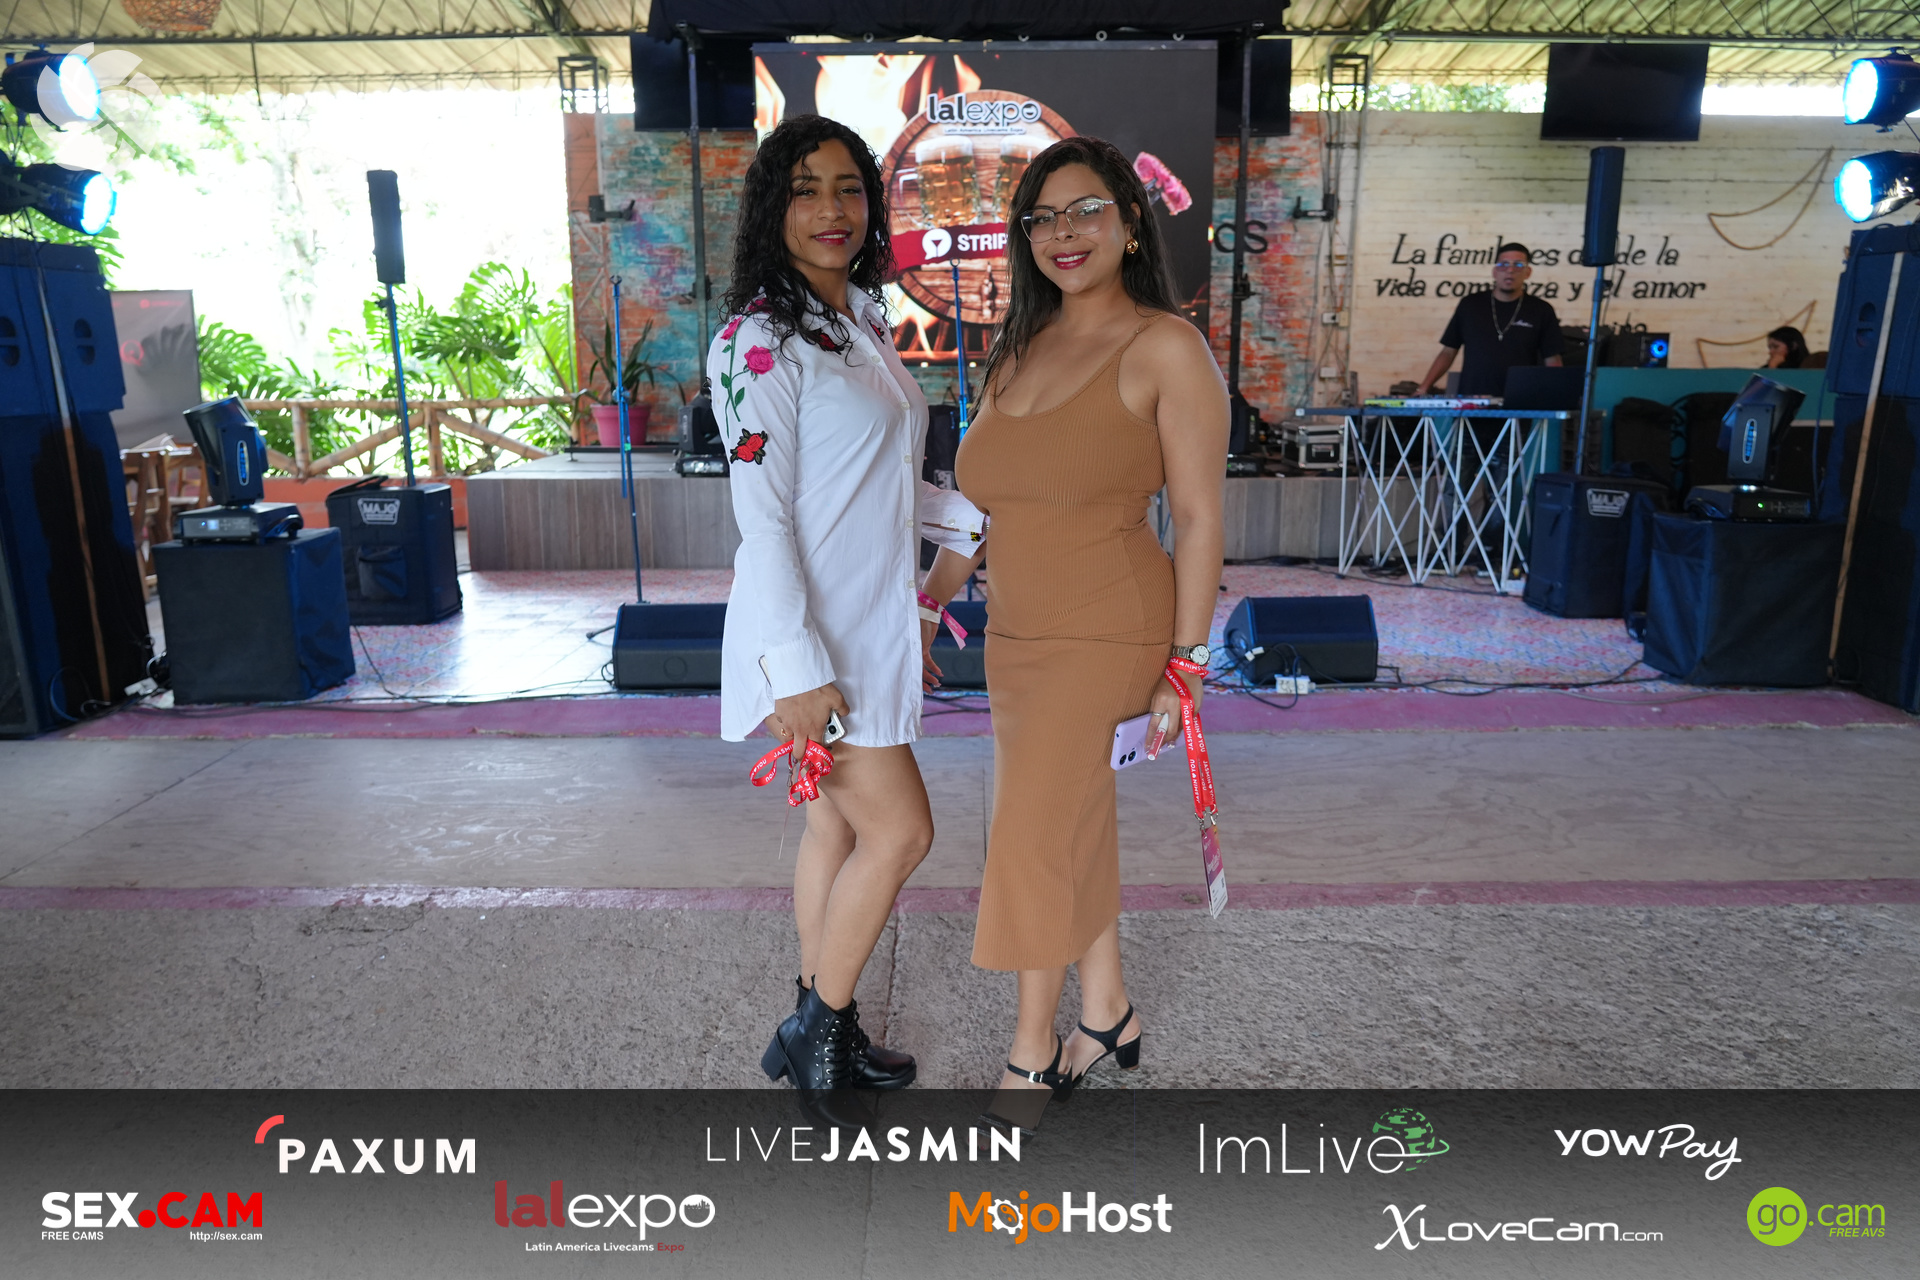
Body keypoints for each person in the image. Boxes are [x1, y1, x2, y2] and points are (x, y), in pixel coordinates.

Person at [919, 136, 1227, 1118]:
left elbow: (1200, 518)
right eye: (1043, 216)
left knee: (1034, 832)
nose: (1064, 231)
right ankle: (1108, 1012)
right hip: (1017, 638)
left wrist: (1188, 663)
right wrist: (930, 602)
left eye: (1087, 208)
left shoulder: (1165, 346)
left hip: (1111, 628)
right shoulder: (1018, 347)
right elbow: (982, 510)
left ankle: (1030, 1052)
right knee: (1067, 815)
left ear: (1130, 220)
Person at [714, 115, 985, 1096]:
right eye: (805, 189)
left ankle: (821, 1010)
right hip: (810, 641)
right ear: (771, 210)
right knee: (902, 832)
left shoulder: (860, 322)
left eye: (849, 188)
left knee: (836, 828)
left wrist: (975, 520)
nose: (832, 209)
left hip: (869, 627)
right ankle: (817, 1037)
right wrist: (795, 669)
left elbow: (880, 482)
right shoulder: (756, 342)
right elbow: (764, 517)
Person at [1415, 243, 1564, 396]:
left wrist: (1557, 395)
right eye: (1503, 264)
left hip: (1521, 400)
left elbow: (1552, 359)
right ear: (1494, 272)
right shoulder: (1470, 305)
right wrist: (1423, 388)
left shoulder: (1541, 309)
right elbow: (1448, 351)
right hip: (1472, 400)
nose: (1510, 270)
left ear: (1528, 272)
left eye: (1518, 265)